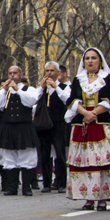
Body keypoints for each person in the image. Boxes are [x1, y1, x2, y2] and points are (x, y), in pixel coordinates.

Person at [64, 48, 110, 210]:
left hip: (102, 124)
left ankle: (102, 198)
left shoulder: (107, 79)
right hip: (82, 124)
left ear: (100, 61)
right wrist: (84, 113)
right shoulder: (78, 79)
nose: (90, 61)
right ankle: (88, 197)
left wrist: (94, 113)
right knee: (84, 161)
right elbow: (72, 100)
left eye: (93, 58)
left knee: (102, 160)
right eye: (87, 58)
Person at [0, 65, 40, 196]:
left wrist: (17, 89)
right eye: (10, 73)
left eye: (15, 73)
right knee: (9, 158)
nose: (12, 76)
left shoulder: (29, 90)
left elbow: (30, 102)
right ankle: (12, 187)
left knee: (26, 157)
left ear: (21, 75)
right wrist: (4, 90)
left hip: (24, 127)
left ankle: (26, 187)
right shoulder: (4, 91)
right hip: (8, 127)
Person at [37, 61, 71, 194]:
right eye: (47, 71)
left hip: (58, 122)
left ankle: (61, 182)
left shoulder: (64, 87)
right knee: (45, 154)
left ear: (58, 73)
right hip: (44, 123)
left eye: (52, 71)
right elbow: (34, 99)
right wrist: (42, 87)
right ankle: (46, 183)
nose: (49, 73)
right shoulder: (43, 87)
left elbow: (66, 99)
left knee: (60, 153)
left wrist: (55, 87)